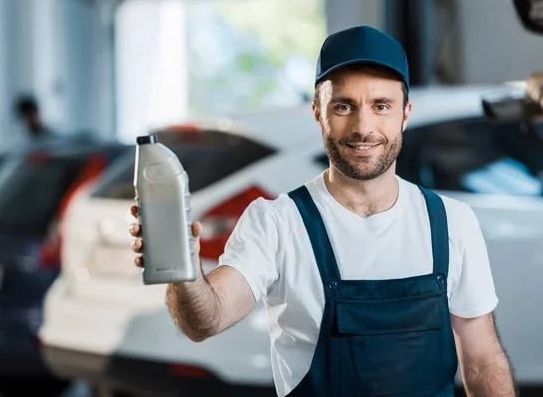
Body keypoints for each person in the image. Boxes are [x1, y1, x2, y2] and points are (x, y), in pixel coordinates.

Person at [129, 25, 516, 396]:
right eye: (344, 106)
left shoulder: (452, 222)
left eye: (381, 105)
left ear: (405, 112)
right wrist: (184, 270)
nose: (364, 127)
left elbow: (483, 362)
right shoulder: (277, 223)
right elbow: (205, 321)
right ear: (318, 113)